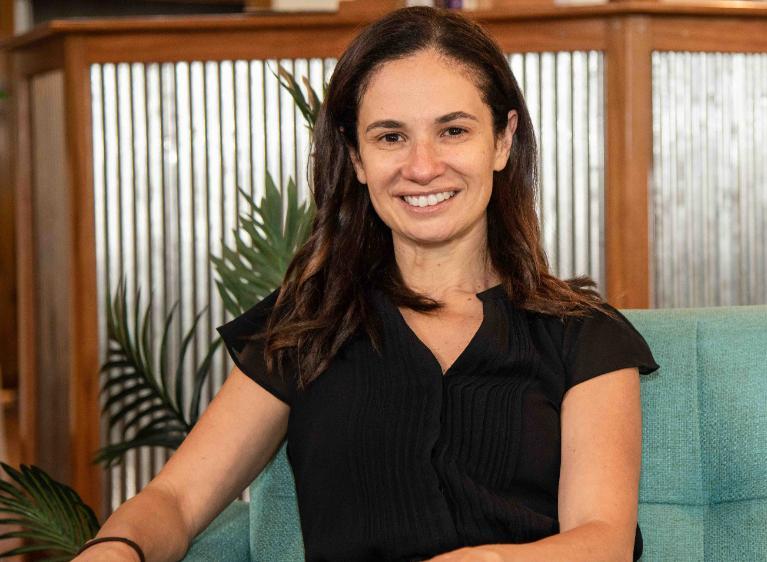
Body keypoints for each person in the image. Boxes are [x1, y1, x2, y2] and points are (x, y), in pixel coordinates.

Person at [74, 6, 659, 562]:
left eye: (453, 131)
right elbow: (175, 500)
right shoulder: (311, 323)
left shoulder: (584, 336)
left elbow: (600, 540)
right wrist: (116, 548)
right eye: (390, 137)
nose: (422, 167)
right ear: (355, 156)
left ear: (502, 141)